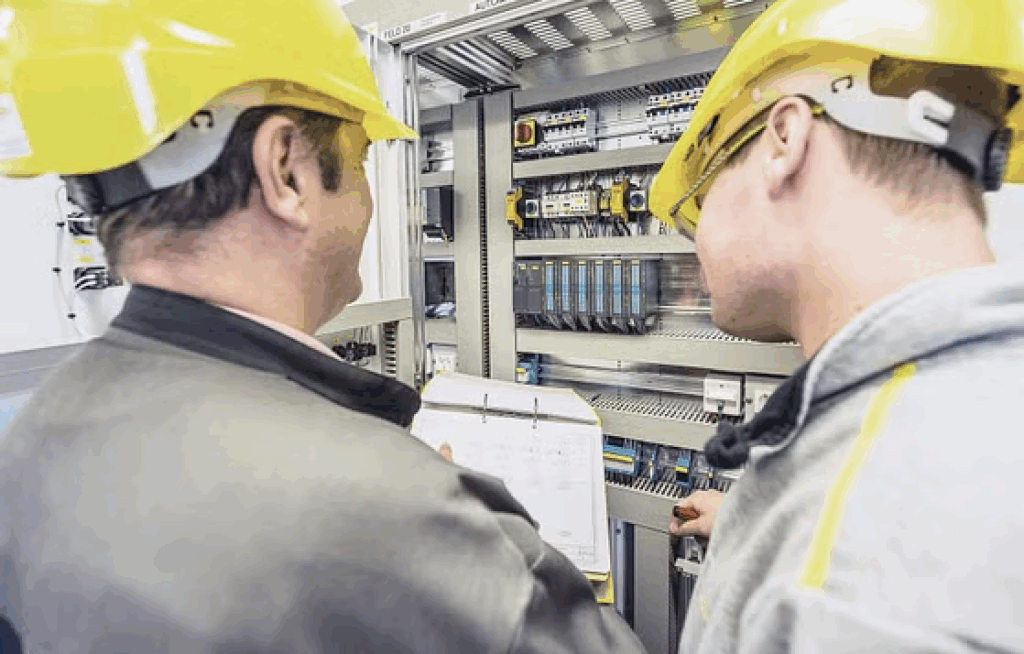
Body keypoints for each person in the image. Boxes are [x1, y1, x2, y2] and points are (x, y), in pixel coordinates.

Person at [0, 2, 646, 652]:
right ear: (286, 171)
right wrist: (447, 516)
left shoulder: (27, 443)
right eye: (361, 160)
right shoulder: (397, 512)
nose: (367, 198)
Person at [649, 0, 1024, 651]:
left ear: (784, 141)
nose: (698, 237)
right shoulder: (958, 426)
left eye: (702, 195)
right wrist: (755, 527)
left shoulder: (861, 579)